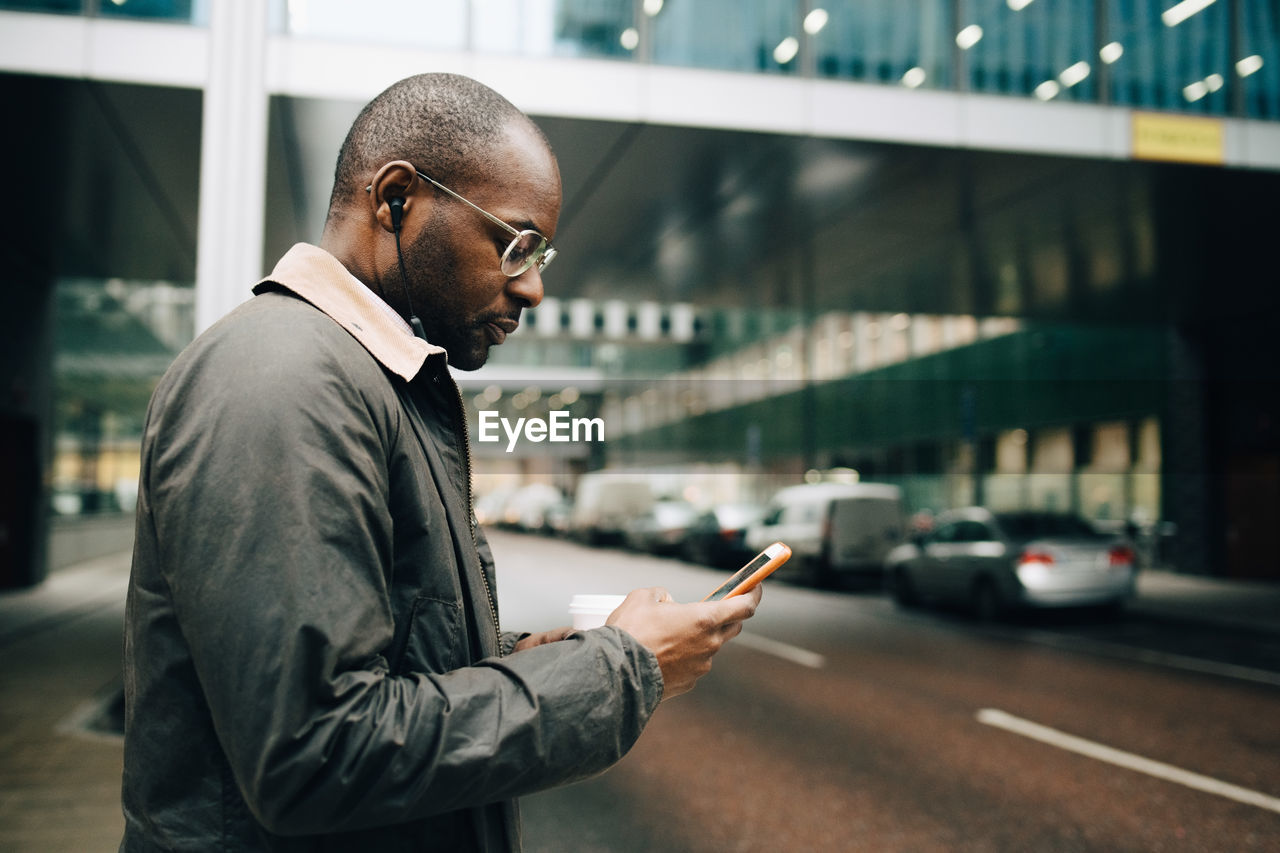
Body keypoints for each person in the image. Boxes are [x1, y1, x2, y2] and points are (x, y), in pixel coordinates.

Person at [120, 72, 761, 852]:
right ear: (396, 200)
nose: (533, 287)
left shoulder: (370, 379)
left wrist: (532, 657)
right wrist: (620, 669)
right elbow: (317, 754)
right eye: (516, 242)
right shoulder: (281, 377)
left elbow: (380, 661)